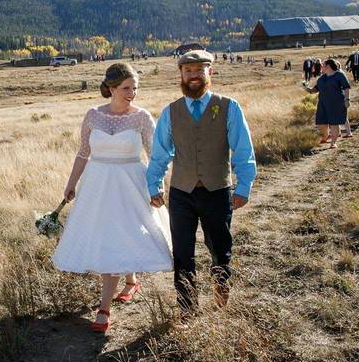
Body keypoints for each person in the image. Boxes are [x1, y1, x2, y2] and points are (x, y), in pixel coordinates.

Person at [53, 63, 173, 332]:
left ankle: (104, 308)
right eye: (126, 88)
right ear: (111, 88)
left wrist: (158, 187)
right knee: (111, 237)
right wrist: (71, 184)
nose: (132, 93)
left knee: (120, 236)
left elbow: (156, 157)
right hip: (97, 186)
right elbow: (83, 153)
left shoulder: (141, 117)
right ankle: (130, 282)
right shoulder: (93, 115)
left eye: (135, 88)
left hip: (131, 185)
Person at [146, 50, 256, 314]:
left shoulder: (229, 106)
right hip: (181, 194)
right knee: (182, 254)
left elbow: (243, 150)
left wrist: (243, 186)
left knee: (220, 250)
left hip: (217, 192)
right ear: (181, 75)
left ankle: (221, 300)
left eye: (199, 70)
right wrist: (154, 184)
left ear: (210, 72)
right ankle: (187, 309)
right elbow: (160, 153)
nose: (193, 76)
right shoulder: (170, 112)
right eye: (188, 71)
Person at [305, 58, 351, 148]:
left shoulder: (339, 75)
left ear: (328, 66)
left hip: (336, 102)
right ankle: (326, 136)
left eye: (323, 64)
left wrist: (347, 99)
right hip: (323, 103)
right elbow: (316, 89)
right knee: (321, 123)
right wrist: (308, 89)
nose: (321, 66)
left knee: (334, 123)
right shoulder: (322, 77)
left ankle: (333, 142)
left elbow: (346, 87)